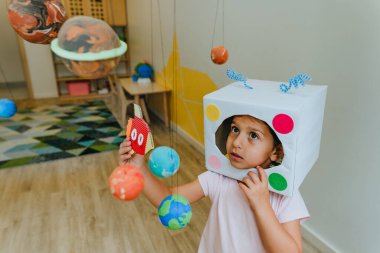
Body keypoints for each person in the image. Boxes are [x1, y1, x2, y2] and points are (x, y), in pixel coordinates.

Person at [119, 114, 309, 253]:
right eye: (235, 129)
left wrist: (262, 205)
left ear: (276, 152)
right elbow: (167, 200)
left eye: (253, 136)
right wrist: (139, 169)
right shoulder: (219, 177)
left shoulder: (285, 195)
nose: (237, 143)